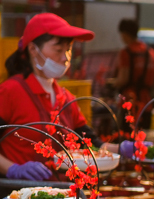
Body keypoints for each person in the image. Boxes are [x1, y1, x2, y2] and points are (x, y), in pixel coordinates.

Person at [0, 13, 99, 181]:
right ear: (32, 49)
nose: (65, 58)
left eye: (68, 50)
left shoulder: (66, 97)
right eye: (58, 50)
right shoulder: (10, 91)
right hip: (16, 197)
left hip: (62, 195)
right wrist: (13, 169)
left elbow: (92, 144)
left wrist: (125, 148)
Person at [108, 18, 154, 118]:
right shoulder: (152, 53)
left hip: (129, 104)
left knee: (126, 133)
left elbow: (123, 79)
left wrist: (112, 83)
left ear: (124, 34)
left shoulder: (126, 53)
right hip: (147, 104)